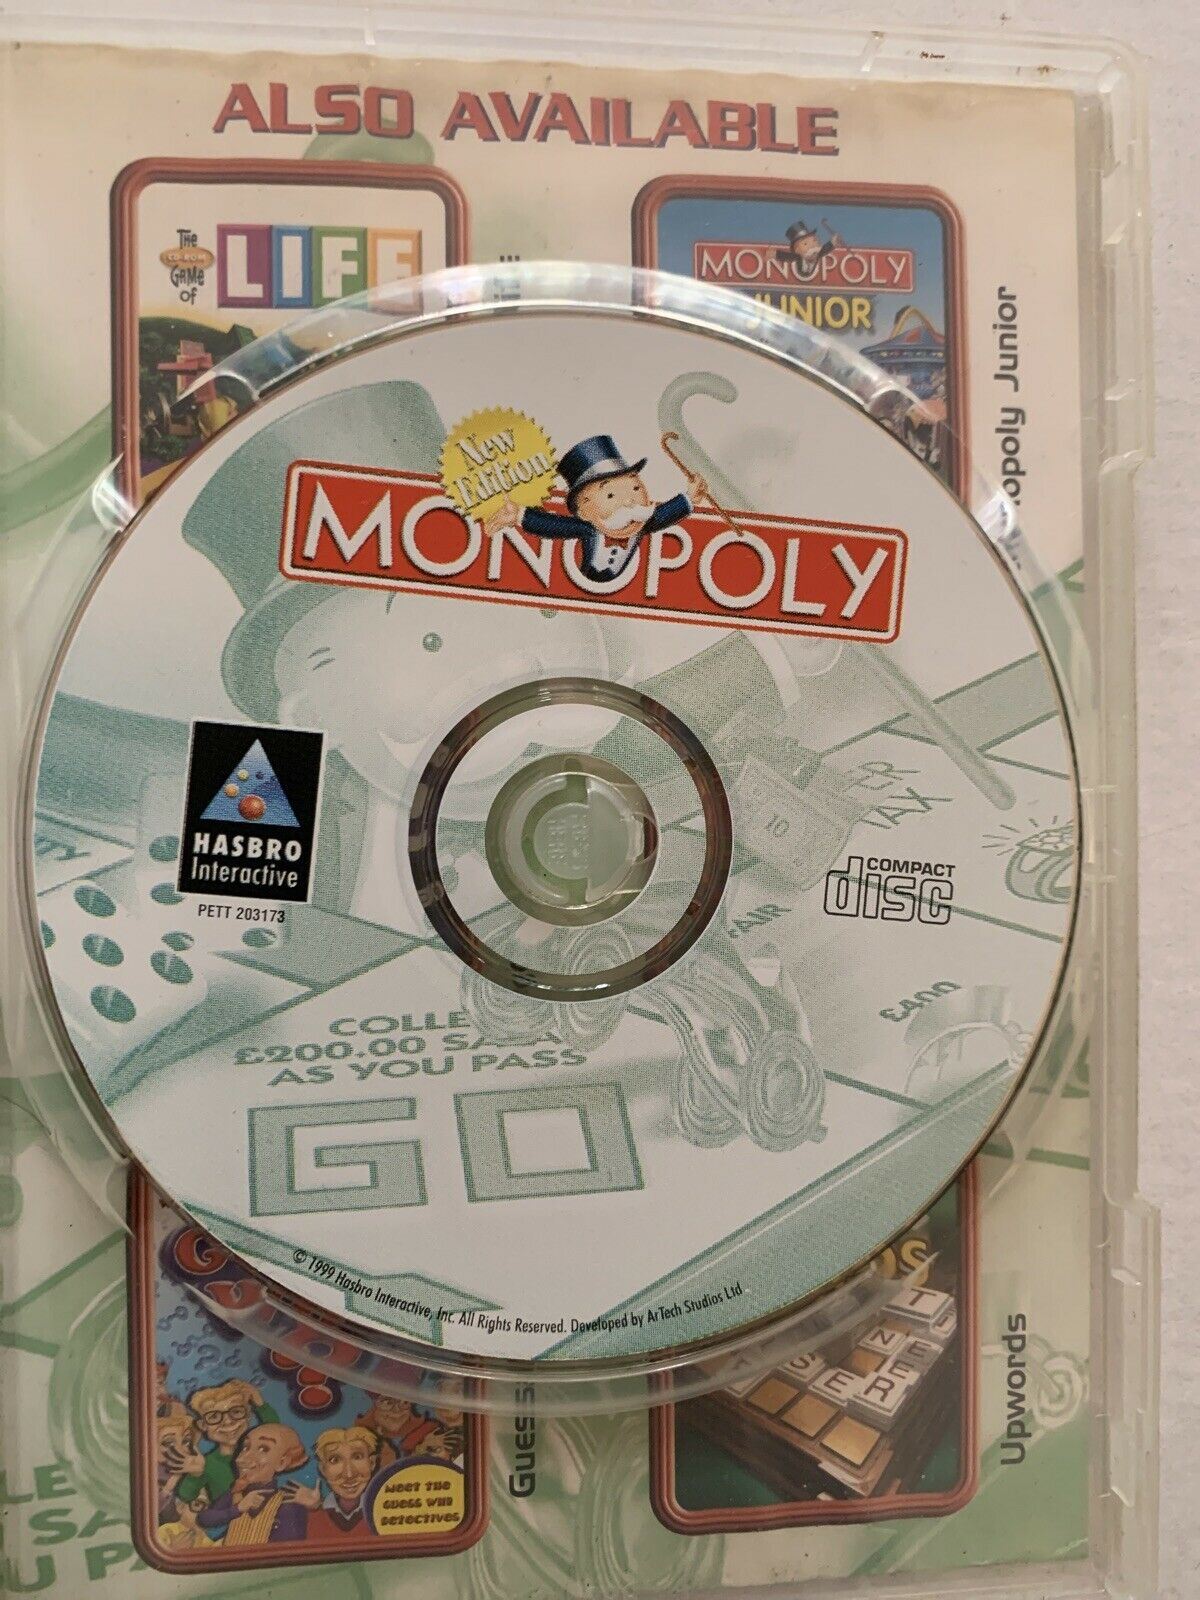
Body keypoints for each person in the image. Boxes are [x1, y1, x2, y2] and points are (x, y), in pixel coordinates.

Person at [483, 434, 706, 585]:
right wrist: (520, 515)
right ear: (584, 510)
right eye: (610, 495)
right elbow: (555, 526)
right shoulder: (589, 529)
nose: (629, 502)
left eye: (636, 487)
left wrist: (689, 497)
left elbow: (664, 514)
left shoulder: (641, 523)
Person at [168, 1378, 280, 1510]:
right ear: (203, 1425)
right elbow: (186, 1495)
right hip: (230, 1520)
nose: (228, 1422)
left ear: (248, 1414)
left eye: (236, 1412)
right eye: (214, 1417)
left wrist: (260, 1403)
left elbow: (276, 1432)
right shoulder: (208, 1463)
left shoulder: (259, 1451)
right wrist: (195, 1474)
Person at [195, 1422, 310, 1547]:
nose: (241, 1459)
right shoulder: (236, 1495)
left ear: (282, 1463)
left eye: (263, 1449)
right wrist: (238, 1508)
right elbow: (204, 1519)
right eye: (245, 1447)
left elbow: (287, 1550)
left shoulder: (287, 1504)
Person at [295, 1426, 380, 1537]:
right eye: (335, 1460)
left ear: (372, 1463)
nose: (349, 1474)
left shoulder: (383, 1512)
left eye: (357, 1457)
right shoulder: (310, 1515)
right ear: (323, 1469)